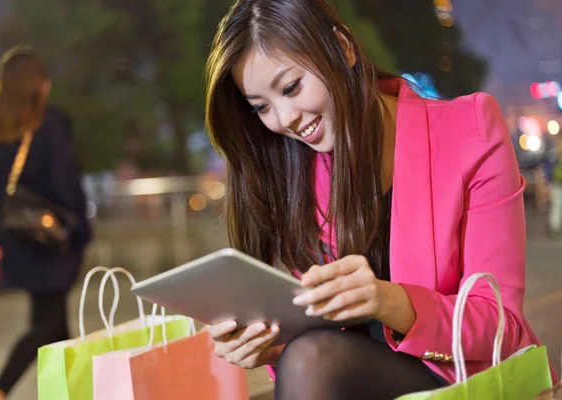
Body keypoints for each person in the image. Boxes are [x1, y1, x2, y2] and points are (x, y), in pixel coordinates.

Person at [203, 0, 558, 398]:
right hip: (350, 374)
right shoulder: (295, 169)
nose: (284, 119)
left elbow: (500, 323)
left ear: (343, 49)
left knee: (310, 360)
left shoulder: (470, 128)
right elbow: (332, 336)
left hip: (459, 376)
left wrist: (389, 301)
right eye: (262, 107)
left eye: (291, 87)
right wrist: (272, 346)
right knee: (305, 357)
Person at [0, 47, 92, 400]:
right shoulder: (47, 124)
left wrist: (6, 237)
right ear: (37, 85)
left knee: (55, 325)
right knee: (47, 324)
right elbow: (65, 184)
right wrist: (79, 233)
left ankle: (74, 392)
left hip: (19, 245)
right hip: (54, 240)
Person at [544, 139, 562, 238]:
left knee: (556, 206)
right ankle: (554, 227)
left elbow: (547, 171)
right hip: (556, 185)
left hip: (555, 184)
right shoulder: (553, 157)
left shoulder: (552, 156)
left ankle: (554, 227)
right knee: (556, 206)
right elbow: (548, 171)